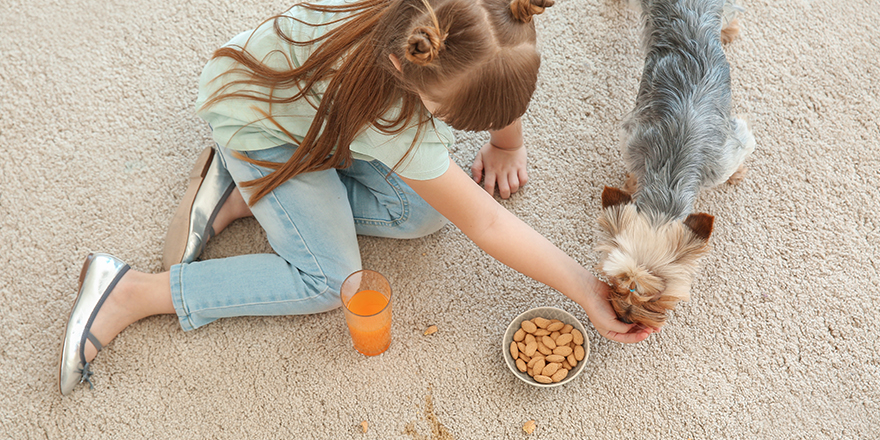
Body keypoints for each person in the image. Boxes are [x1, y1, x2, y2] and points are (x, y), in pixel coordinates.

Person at [58, 0, 656, 396]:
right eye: (445, 117)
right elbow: (488, 224)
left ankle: (252, 196)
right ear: (407, 70)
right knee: (330, 280)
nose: (446, 130)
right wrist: (582, 284)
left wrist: (506, 141)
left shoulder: (457, 19)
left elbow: (501, 69)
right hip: (258, 128)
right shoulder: (393, 121)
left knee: (424, 212)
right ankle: (133, 289)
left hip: (300, 112)